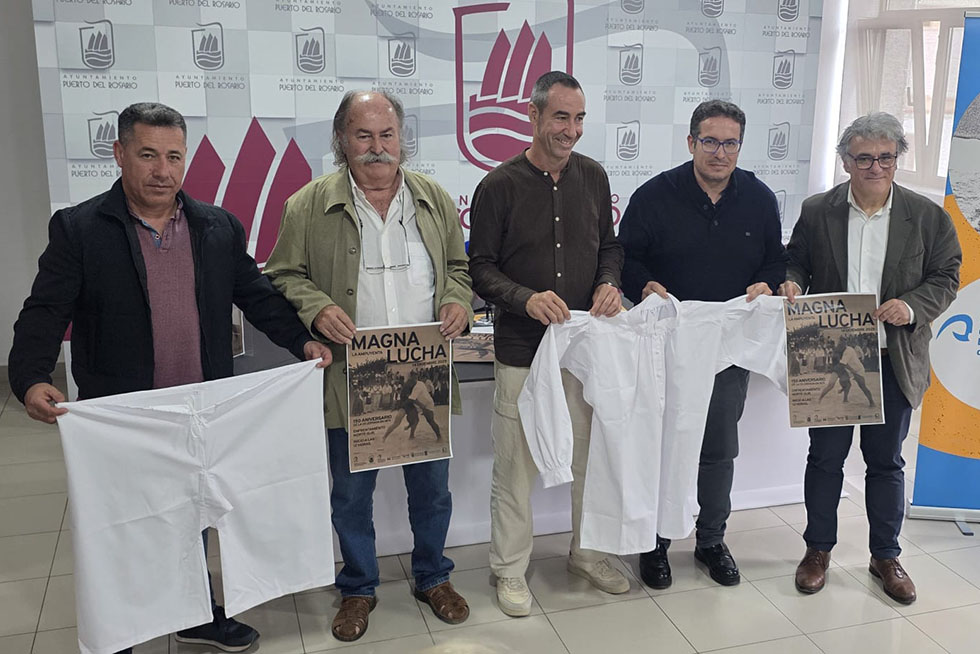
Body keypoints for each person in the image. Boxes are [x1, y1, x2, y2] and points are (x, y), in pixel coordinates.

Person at [7, 102, 332, 654]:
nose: (163, 171)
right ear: (119, 154)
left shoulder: (216, 226)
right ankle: (121, 630)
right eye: (148, 155)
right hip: (126, 414)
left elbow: (256, 295)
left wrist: (301, 341)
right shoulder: (80, 229)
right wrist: (31, 376)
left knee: (193, 513)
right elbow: (45, 310)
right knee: (126, 525)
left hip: (200, 408)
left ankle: (196, 615)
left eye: (174, 157)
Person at [263, 90, 474, 641]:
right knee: (352, 496)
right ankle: (358, 586)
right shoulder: (306, 205)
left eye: (387, 135)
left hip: (424, 370)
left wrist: (457, 298)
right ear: (341, 140)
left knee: (432, 490)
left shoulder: (433, 198)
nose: (377, 147)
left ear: (402, 138)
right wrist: (317, 306)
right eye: (363, 135)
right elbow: (282, 273)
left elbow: (459, 266)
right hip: (353, 375)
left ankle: (433, 576)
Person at [779, 112, 961, 604]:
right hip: (833, 356)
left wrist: (911, 306)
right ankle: (817, 550)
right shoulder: (818, 210)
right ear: (845, 162)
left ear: (897, 159)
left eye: (886, 157)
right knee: (825, 460)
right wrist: (792, 282)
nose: (876, 167)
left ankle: (886, 556)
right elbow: (796, 260)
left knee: (885, 462)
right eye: (864, 158)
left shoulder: (926, 216)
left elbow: (947, 275)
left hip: (893, 356)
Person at [468, 71, 629, 617]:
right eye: (561, 117)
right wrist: (525, 298)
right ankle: (510, 571)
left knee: (590, 460)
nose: (571, 130)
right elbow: (480, 268)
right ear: (533, 116)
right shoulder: (498, 186)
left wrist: (609, 282)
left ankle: (587, 555)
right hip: (522, 351)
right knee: (516, 470)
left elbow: (610, 247)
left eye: (579, 118)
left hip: (584, 352)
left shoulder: (594, 176)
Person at [617, 99, 787, 589]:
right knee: (662, 444)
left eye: (730, 143)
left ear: (740, 146)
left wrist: (766, 283)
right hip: (665, 344)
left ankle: (711, 540)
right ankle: (655, 542)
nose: (720, 152)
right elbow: (625, 258)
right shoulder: (654, 195)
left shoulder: (758, 198)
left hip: (729, 346)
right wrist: (644, 285)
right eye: (710, 141)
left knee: (718, 448)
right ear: (691, 142)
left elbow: (774, 261)